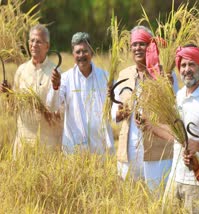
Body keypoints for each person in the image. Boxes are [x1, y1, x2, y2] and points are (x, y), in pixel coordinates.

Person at [111, 26, 179, 191]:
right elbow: (114, 111)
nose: (137, 48)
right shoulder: (124, 74)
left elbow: (174, 110)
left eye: (142, 44)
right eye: (134, 44)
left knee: (155, 199)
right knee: (128, 200)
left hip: (157, 154)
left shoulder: (165, 75)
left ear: (151, 46)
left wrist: (167, 87)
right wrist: (119, 113)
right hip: (128, 153)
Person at [163, 44, 199, 214]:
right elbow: (175, 136)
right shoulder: (179, 96)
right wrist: (148, 125)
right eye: (183, 65)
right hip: (174, 177)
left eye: (191, 64)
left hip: (197, 183)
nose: (187, 69)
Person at [46, 32, 114, 155]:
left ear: (92, 52)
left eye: (85, 51)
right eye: (78, 52)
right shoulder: (66, 78)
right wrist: (55, 86)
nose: (81, 55)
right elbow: (51, 106)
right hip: (74, 150)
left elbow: (114, 111)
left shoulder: (105, 77)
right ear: (73, 55)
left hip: (101, 150)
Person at [0, 24, 63, 155]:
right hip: (23, 143)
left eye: (39, 41)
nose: (34, 44)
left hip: (48, 145)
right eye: (32, 40)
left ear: (47, 46)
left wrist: (55, 86)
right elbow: (14, 108)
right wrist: (8, 93)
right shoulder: (21, 71)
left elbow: (59, 109)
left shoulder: (55, 72)